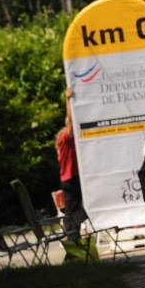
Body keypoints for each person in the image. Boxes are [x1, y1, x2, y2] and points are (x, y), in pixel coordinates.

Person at [55, 88, 85, 246]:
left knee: (76, 210)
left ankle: (75, 237)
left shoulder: (64, 140)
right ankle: (72, 239)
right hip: (71, 178)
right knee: (73, 212)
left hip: (70, 178)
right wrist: (68, 100)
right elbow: (71, 121)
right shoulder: (66, 138)